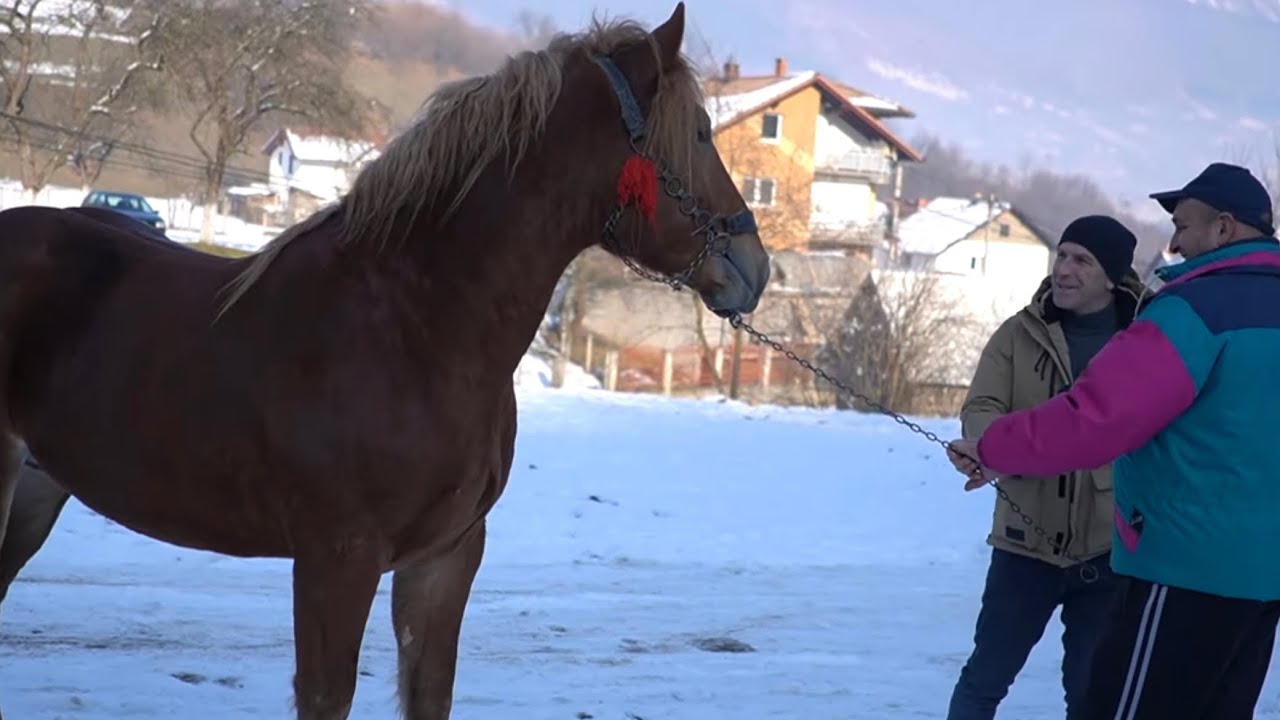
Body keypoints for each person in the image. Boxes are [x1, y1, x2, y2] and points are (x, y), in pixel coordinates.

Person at [947, 162, 1280, 720]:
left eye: (1184, 225)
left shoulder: (1194, 309)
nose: (1174, 242)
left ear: (1223, 229)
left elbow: (1095, 418)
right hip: (1261, 577)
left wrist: (991, 449)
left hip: (1182, 570)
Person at [946, 214, 1147, 720]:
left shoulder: (1144, 342)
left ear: (1112, 276)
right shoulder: (1018, 333)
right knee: (984, 680)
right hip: (1024, 543)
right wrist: (989, 447)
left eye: (1083, 260)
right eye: (1062, 254)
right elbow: (982, 405)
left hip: (1112, 550)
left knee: (1090, 693)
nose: (1065, 269)